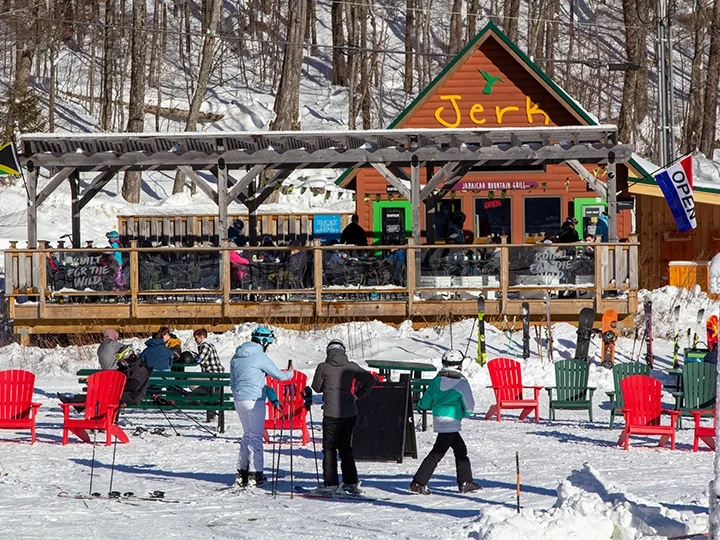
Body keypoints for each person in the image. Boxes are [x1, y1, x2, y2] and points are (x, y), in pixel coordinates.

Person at [409, 349, 480, 495]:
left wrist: (422, 405)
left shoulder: (436, 381)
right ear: (459, 364)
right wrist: (467, 413)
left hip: (439, 419)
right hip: (452, 420)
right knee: (437, 453)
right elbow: (469, 404)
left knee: (460, 450)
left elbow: (426, 400)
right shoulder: (462, 383)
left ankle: (465, 481)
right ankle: (418, 482)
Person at [230, 326, 294, 487]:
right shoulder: (259, 356)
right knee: (256, 437)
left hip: (239, 399)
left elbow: (233, 381)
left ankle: (241, 471)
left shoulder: (236, 356)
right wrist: (291, 373)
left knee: (247, 435)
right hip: (255, 400)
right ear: (264, 341)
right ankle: (255, 474)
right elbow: (279, 375)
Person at [311, 339, 375, 494]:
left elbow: (316, 388)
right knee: (346, 447)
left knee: (329, 448)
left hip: (332, 412)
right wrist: (357, 395)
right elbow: (370, 380)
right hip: (349, 412)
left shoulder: (323, 367)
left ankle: (331, 484)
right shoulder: (351, 366)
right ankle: (351, 481)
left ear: (328, 352)